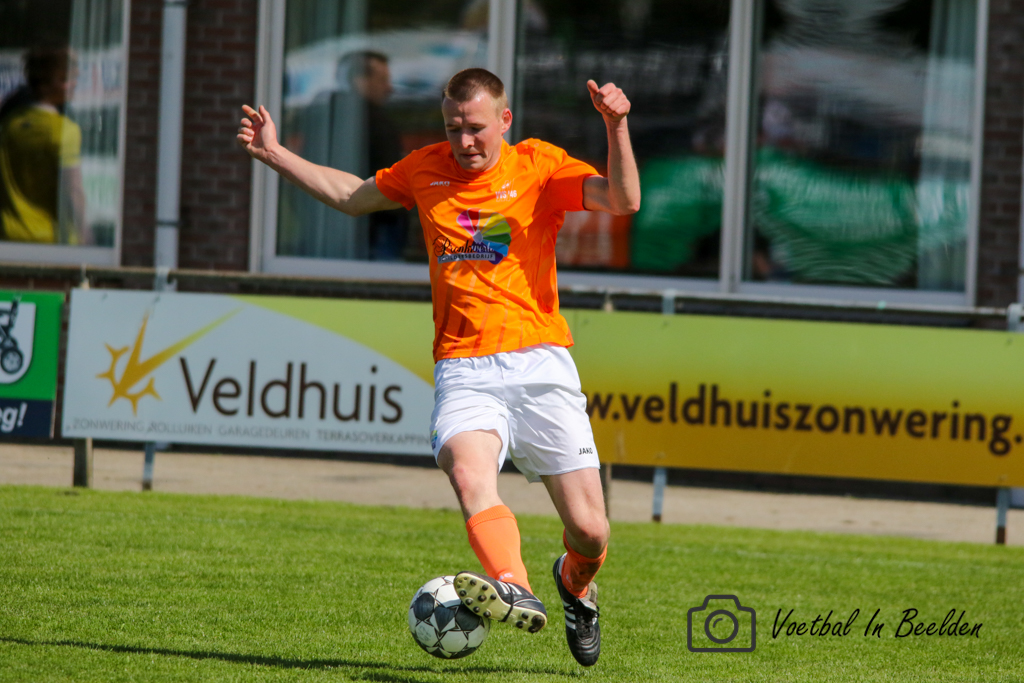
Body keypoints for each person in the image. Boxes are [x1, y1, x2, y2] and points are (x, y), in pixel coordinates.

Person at [237, 68, 640, 667]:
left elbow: (623, 200)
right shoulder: (425, 168)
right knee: (467, 472)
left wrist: (617, 126)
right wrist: (275, 154)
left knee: (591, 532)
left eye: (476, 128)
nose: (464, 141)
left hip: (541, 363)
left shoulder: (539, 165)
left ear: (504, 120)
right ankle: (514, 586)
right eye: (453, 128)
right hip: (464, 366)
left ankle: (574, 585)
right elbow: (351, 196)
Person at [0, 46, 87, 244]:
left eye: (74, 77)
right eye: (64, 79)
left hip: (8, 237)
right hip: (51, 241)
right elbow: (73, 190)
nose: (73, 84)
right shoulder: (64, 130)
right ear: (44, 85)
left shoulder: (8, 125)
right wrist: (85, 234)